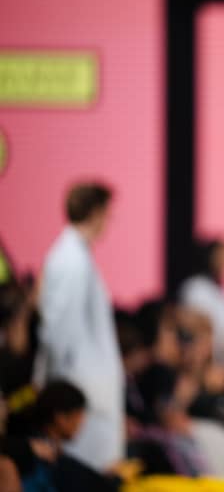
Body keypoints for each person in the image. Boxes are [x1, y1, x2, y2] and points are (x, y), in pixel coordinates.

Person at [37, 182, 125, 471]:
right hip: (80, 393)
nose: (109, 221)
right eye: (107, 214)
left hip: (88, 393)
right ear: (96, 212)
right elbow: (60, 334)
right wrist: (68, 398)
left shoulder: (79, 257)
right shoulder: (71, 261)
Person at [179, 238, 224, 369]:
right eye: (221, 257)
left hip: (223, 364)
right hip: (202, 365)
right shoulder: (195, 288)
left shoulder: (221, 294)